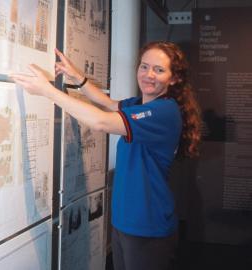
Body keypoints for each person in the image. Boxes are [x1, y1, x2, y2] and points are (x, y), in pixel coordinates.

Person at [10, 41, 201, 270]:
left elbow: (101, 122)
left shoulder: (164, 111)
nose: (149, 74)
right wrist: (77, 77)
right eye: (144, 66)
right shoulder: (140, 104)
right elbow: (107, 103)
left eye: (159, 70)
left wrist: (47, 91)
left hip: (147, 226)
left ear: (174, 79)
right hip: (126, 221)